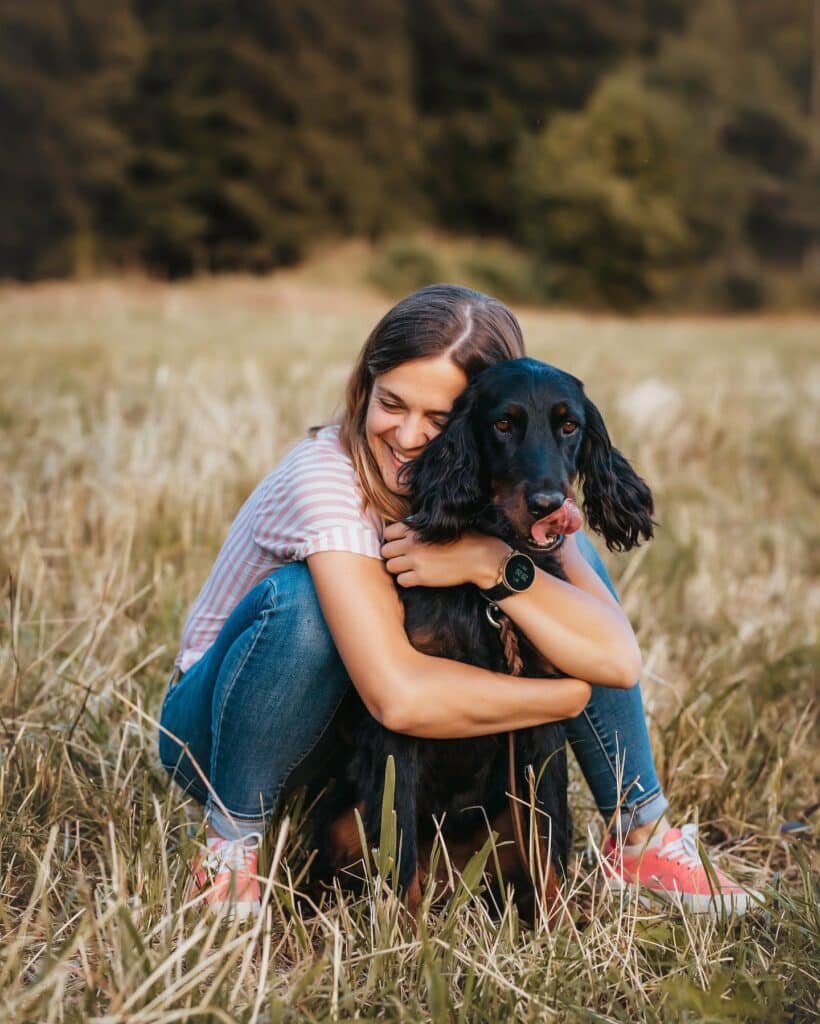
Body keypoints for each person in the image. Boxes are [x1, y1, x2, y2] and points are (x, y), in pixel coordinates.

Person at [158, 284, 752, 919]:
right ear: (365, 387)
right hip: (222, 731)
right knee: (302, 602)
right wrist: (561, 695)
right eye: (391, 404)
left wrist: (491, 561)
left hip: (360, 736)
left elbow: (613, 655)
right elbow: (398, 698)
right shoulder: (324, 479)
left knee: (555, 581)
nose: (411, 438)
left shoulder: (507, 488)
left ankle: (642, 837)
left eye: (437, 420)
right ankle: (230, 847)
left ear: (470, 421)